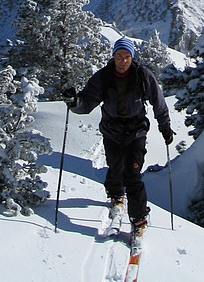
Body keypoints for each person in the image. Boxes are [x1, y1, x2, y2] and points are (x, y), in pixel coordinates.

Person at [63, 35, 173, 233]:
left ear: (132, 57)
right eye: (119, 56)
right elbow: (86, 103)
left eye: (126, 56)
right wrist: (74, 102)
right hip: (112, 130)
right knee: (115, 166)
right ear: (113, 56)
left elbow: (158, 101)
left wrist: (165, 126)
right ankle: (115, 194)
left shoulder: (142, 75)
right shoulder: (103, 77)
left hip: (136, 131)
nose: (123, 60)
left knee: (132, 173)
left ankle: (139, 220)